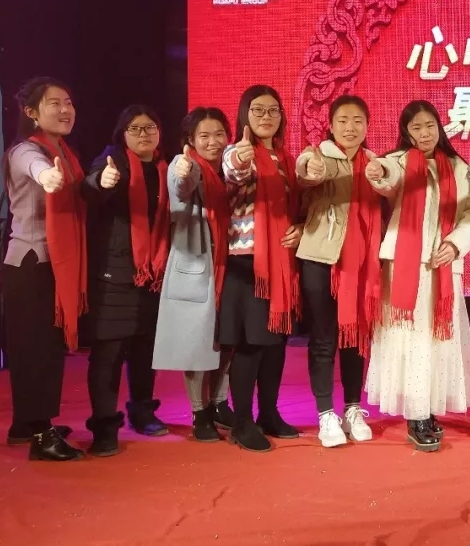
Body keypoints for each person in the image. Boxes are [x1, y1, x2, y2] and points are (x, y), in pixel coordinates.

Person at [365, 101, 470, 451]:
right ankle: (416, 415)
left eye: (429, 125)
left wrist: (455, 244)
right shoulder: (400, 161)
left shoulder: (458, 167)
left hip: (442, 266)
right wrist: (378, 171)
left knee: (437, 340)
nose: (424, 133)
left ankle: (428, 409)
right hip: (405, 267)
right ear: (406, 132)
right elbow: (388, 177)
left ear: (439, 127)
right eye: (416, 127)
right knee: (411, 340)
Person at [1, 77, 86, 460]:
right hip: (31, 265)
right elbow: (36, 168)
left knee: (43, 348)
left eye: (69, 102)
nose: (66, 109)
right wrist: (48, 176)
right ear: (31, 112)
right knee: (36, 351)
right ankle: (41, 436)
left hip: (51, 264)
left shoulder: (64, 151)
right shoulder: (26, 150)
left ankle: (26, 424)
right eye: (55, 103)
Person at [81, 105, 173, 457]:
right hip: (114, 273)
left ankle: (142, 411)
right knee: (108, 352)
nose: (144, 134)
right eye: (135, 128)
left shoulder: (165, 168)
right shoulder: (113, 161)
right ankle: (105, 426)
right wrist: (101, 182)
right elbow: (90, 188)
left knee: (144, 349)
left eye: (150, 127)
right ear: (122, 134)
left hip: (153, 275)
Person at [222, 85, 303, 452]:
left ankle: (269, 413)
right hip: (248, 264)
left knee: (275, 345)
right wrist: (242, 158)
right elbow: (234, 172)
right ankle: (242, 422)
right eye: (258, 110)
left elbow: (294, 208)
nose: (266, 117)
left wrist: (299, 227)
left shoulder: (286, 158)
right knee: (251, 345)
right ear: (245, 114)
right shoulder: (237, 152)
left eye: (273, 110)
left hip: (282, 264)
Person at [294, 95, 378, 448]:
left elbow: (391, 183)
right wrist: (309, 169)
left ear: (368, 125)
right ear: (330, 125)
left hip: (361, 262)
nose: (350, 127)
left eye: (358, 120)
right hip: (320, 258)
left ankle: (353, 408)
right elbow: (306, 172)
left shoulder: (375, 163)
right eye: (342, 120)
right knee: (324, 337)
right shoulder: (318, 155)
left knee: (355, 336)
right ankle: (326, 412)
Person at [152, 107, 235, 443]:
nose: (213, 141)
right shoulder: (184, 164)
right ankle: (199, 412)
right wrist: (184, 173)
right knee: (196, 343)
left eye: (219, 134)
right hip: (196, 265)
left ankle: (219, 403)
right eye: (204, 135)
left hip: (228, 264)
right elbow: (181, 187)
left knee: (226, 339)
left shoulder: (230, 169)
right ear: (190, 140)